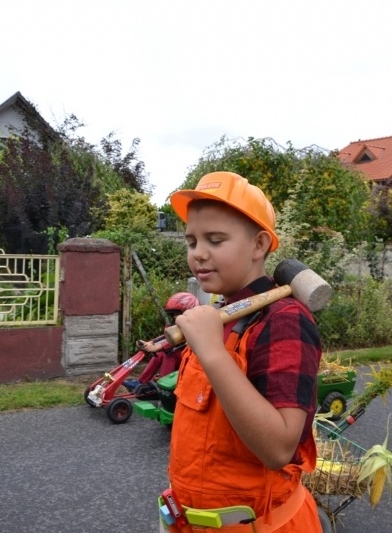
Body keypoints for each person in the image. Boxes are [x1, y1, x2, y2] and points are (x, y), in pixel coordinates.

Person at [160, 171, 323, 532]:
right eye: (191, 241)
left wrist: (212, 354)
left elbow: (279, 448)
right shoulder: (221, 316)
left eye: (215, 240)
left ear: (259, 245)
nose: (198, 253)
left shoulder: (285, 321)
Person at [123, 292, 200, 395]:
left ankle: (164, 387)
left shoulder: (193, 326)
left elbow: (177, 340)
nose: (175, 317)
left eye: (177, 314)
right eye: (173, 314)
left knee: (170, 354)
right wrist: (151, 342)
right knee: (160, 354)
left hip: (192, 359)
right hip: (183, 356)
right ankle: (141, 382)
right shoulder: (177, 326)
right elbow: (165, 336)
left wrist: (157, 347)